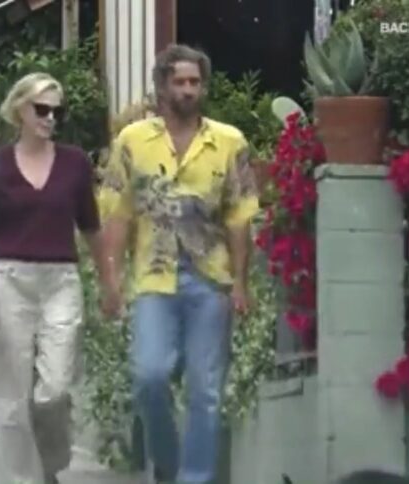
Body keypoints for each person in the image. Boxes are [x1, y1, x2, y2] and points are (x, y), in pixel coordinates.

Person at [100, 44, 259, 484]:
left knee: (205, 390)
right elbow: (117, 214)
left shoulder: (229, 142)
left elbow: (240, 216)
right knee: (149, 376)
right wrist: (111, 280)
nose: (188, 90)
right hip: (154, 277)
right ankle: (168, 465)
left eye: (195, 82)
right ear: (162, 86)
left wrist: (241, 284)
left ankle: (196, 478)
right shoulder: (132, 142)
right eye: (180, 82)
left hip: (211, 280)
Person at [0, 72, 113, 484]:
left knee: (55, 389)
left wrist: (108, 282)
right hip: (8, 278)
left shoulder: (75, 163)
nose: (50, 118)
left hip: (61, 279)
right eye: (42, 109)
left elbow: (91, 227)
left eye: (57, 112)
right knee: (12, 393)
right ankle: (22, 479)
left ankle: (49, 464)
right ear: (20, 110)